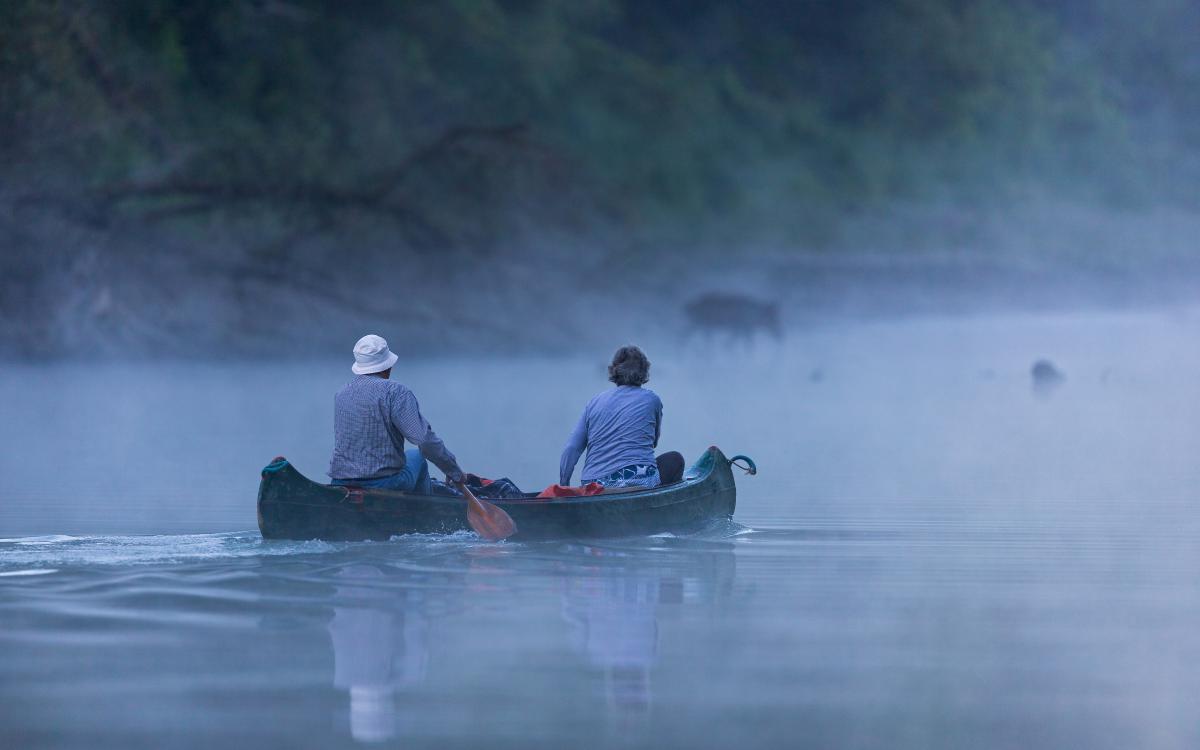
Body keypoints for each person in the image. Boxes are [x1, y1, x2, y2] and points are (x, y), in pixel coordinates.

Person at [329, 334, 465, 494]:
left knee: (411, 457)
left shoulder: (341, 393)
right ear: (388, 366)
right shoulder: (396, 392)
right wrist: (454, 471)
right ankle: (425, 509)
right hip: (385, 483)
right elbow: (425, 442)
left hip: (340, 481)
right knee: (417, 457)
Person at [560, 345, 681, 490]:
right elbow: (653, 442)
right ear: (644, 371)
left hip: (594, 487)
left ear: (613, 370)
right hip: (639, 481)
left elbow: (571, 448)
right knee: (675, 459)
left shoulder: (594, 403)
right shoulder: (652, 400)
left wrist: (564, 486)